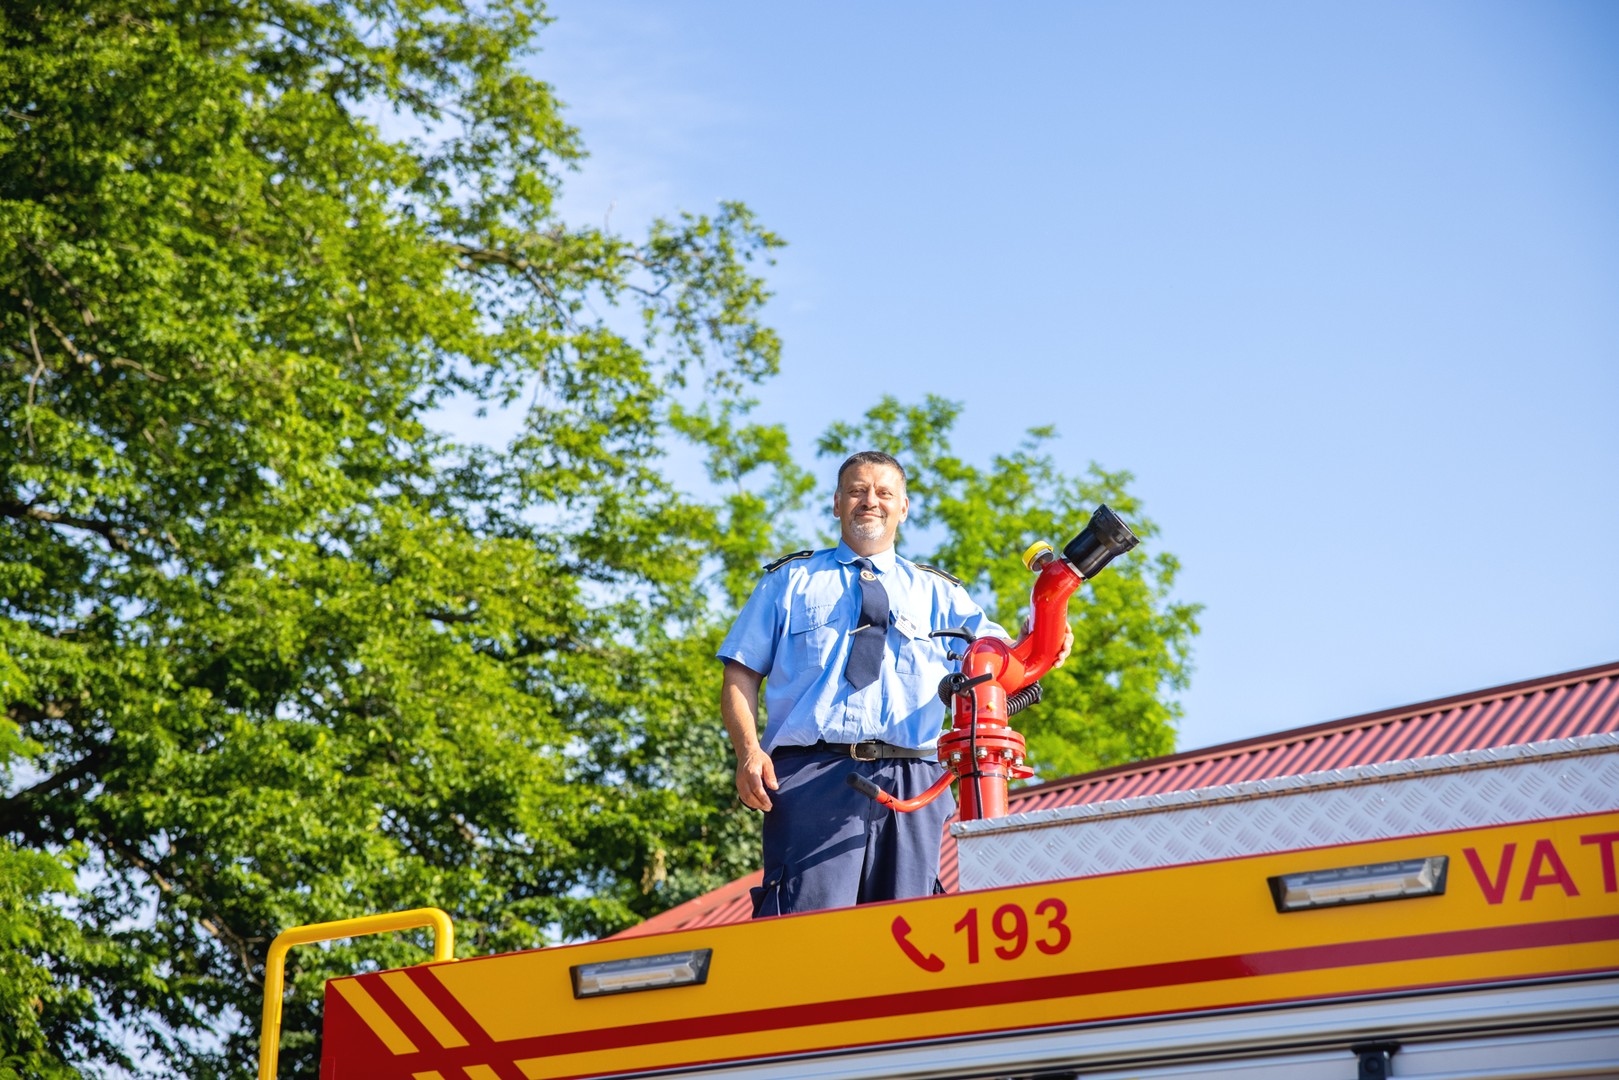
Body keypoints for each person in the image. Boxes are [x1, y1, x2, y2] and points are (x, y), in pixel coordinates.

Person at [718, 450, 1067, 917]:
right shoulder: (790, 581)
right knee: (807, 930)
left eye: (884, 492)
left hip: (915, 779)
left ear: (903, 507)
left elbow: (1004, 661)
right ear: (837, 503)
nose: (870, 501)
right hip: (812, 778)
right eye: (857, 491)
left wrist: (1041, 634)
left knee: (910, 929)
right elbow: (739, 672)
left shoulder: (940, 593)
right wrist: (748, 752)